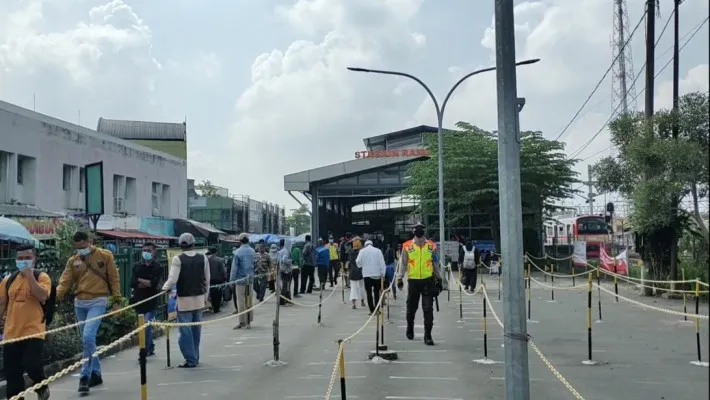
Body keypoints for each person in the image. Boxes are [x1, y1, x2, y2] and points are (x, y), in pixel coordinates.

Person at [57, 231, 121, 393]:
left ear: (89, 241)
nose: (81, 250)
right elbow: (65, 281)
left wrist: (116, 300)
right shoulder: (73, 261)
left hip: (98, 301)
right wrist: (54, 297)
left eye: (83, 246)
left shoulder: (105, 256)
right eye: (78, 247)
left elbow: (114, 278)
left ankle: (84, 376)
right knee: (87, 340)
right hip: (80, 303)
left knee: (88, 336)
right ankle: (97, 373)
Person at [0, 244, 51, 400]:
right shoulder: (9, 280)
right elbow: (2, 303)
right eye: (20, 258)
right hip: (11, 333)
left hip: (33, 331)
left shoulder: (41, 277)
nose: (23, 261)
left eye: (27, 258)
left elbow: (42, 296)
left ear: (34, 260)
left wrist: (29, 276)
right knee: (12, 374)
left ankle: (41, 385)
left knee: (32, 366)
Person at [161, 233, 210, 368]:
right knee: (196, 331)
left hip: (184, 301)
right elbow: (207, 280)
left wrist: (164, 289)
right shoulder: (203, 257)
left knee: (185, 333)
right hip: (199, 300)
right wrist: (205, 297)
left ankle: (191, 359)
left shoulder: (178, 259)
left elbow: (172, 279)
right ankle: (195, 357)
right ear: (193, 244)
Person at [396, 222, 440, 346]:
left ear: (424, 231)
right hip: (413, 281)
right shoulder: (407, 246)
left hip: (427, 281)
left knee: (428, 309)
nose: (419, 232)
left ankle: (428, 335)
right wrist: (400, 278)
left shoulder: (431, 246)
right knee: (411, 308)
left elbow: (435, 263)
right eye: (416, 229)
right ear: (413, 231)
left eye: (421, 229)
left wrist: (440, 278)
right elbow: (403, 263)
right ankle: (410, 327)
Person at [130, 242, 163, 357]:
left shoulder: (157, 267)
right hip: (139, 300)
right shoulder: (137, 267)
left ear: (154, 252)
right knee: (142, 327)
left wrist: (141, 280)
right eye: (144, 250)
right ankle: (150, 346)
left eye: (149, 250)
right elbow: (133, 283)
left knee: (146, 325)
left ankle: (144, 350)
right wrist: (146, 282)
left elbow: (154, 284)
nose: (146, 253)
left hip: (151, 301)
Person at [231, 234, 255, 329]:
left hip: (240, 280)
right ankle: (249, 321)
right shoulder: (252, 251)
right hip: (250, 279)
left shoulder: (237, 252)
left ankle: (242, 321)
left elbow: (234, 269)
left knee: (241, 301)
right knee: (249, 299)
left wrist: (231, 281)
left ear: (240, 241)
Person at [357, 240, 387, 314]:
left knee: (369, 293)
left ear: (365, 245)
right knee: (376, 292)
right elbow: (382, 263)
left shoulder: (362, 251)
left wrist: (361, 265)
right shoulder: (378, 251)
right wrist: (383, 274)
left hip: (366, 274)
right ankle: (377, 309)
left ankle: (371, 310)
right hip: (377, 274)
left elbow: (358, 261)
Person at [206, 247, 227, 313]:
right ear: (216, 252)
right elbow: (222, 271)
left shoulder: (207, 260)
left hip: (210, 280)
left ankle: (213, 306)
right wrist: (224, 278)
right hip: (218, 280)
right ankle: (217, 308)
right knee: (218, 294)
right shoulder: (219, 260)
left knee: (212, 294)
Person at [347, 237, 366, 309]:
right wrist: (360, 239)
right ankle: (362, 302)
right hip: (360, 272)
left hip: (352, 272)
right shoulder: (362, 252)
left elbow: (346, 245)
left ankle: (354, 303)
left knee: (353, 288)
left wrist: (351, 240)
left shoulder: (350, 253)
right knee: (362, 287)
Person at [276, 238, 294, 304]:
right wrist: (292, 261)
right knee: (285, 286)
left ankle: (288, 299)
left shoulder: (281, 251)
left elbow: (278, 260)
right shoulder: (286, 251)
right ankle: (282, 300)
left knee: (286, 285)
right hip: (286, 271)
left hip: (282, 270)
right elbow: (284, 260)